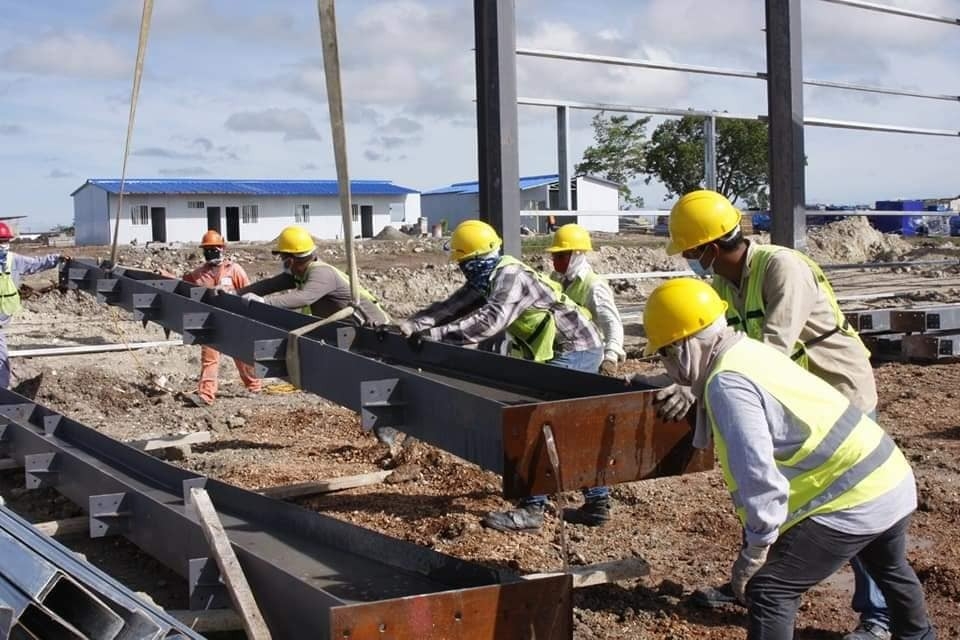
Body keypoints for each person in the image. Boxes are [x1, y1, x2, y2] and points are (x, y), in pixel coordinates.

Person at [642, 277, 935, 640]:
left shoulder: (727, 384)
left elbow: (758, 477)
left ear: (684, 345)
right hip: (891, 475)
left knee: (770, 591)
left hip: (856, 498)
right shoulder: (747, 351)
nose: (667, 366)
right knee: (889, 566)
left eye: (665, 354)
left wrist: (755, 552)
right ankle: (919, 636)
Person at [665, 189, 890, 640]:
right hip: (794, 404)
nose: (689, 260)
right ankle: (762, 584)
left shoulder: (781, 268)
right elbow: (715, 346)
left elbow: (771, 353)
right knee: (770, 494)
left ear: (707, 248)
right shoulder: (724, 285)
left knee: (857, 503)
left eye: (690, 252)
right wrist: (681, 379)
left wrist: (705, 390)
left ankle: (879, 616)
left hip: (838, 393)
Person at [400, 219, 610, 532]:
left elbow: (488, 322)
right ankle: (597, 503)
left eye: (465, 264)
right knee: (566, 422)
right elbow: (454, 306)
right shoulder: (487, 277)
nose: (463, 270)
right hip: (564, 348)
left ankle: (532, 510)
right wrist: (414, 324)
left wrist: (437, 336)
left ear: (478, 260)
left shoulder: (510, 277)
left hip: (578, 348)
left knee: (537, 421)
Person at [237, 226, 389, 326]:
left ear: (291, 260)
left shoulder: (321, 273)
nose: (282, 262)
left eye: (282, 258)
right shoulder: (299, 273)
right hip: (350, 331)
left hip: (375, 329)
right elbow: (269, 285)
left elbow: (305, 297)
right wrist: (236, 293)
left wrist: (264, 301)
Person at [181, 230, 261, 407]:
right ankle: (206, 395)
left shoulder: (234, 270)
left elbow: (248, 294)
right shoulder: (198, 274)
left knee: (242, 357)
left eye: (214, 249)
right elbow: (181, 285)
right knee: (209, 359)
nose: (211, 253)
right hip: (211, 323)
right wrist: (164, 275)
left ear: (222, 249)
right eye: (207, 250)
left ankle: (254, 386)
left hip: (234, 321)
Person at [546, 223, 625, 376]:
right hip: (563, 348)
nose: (555, 261)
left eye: (560, 256)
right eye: (554, 256)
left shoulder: (594, 286)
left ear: (576, 254)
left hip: (586, 352)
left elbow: (612, 323)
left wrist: (611, 357)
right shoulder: (556, 278)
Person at [0, 222, 66, 389]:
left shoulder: (12, 260)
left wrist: (57, 258)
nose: (3, 245)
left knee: (1, 358)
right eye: (1, 241)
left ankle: (3, 394)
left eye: (5, 241)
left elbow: (35, 263)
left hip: (2, 317)